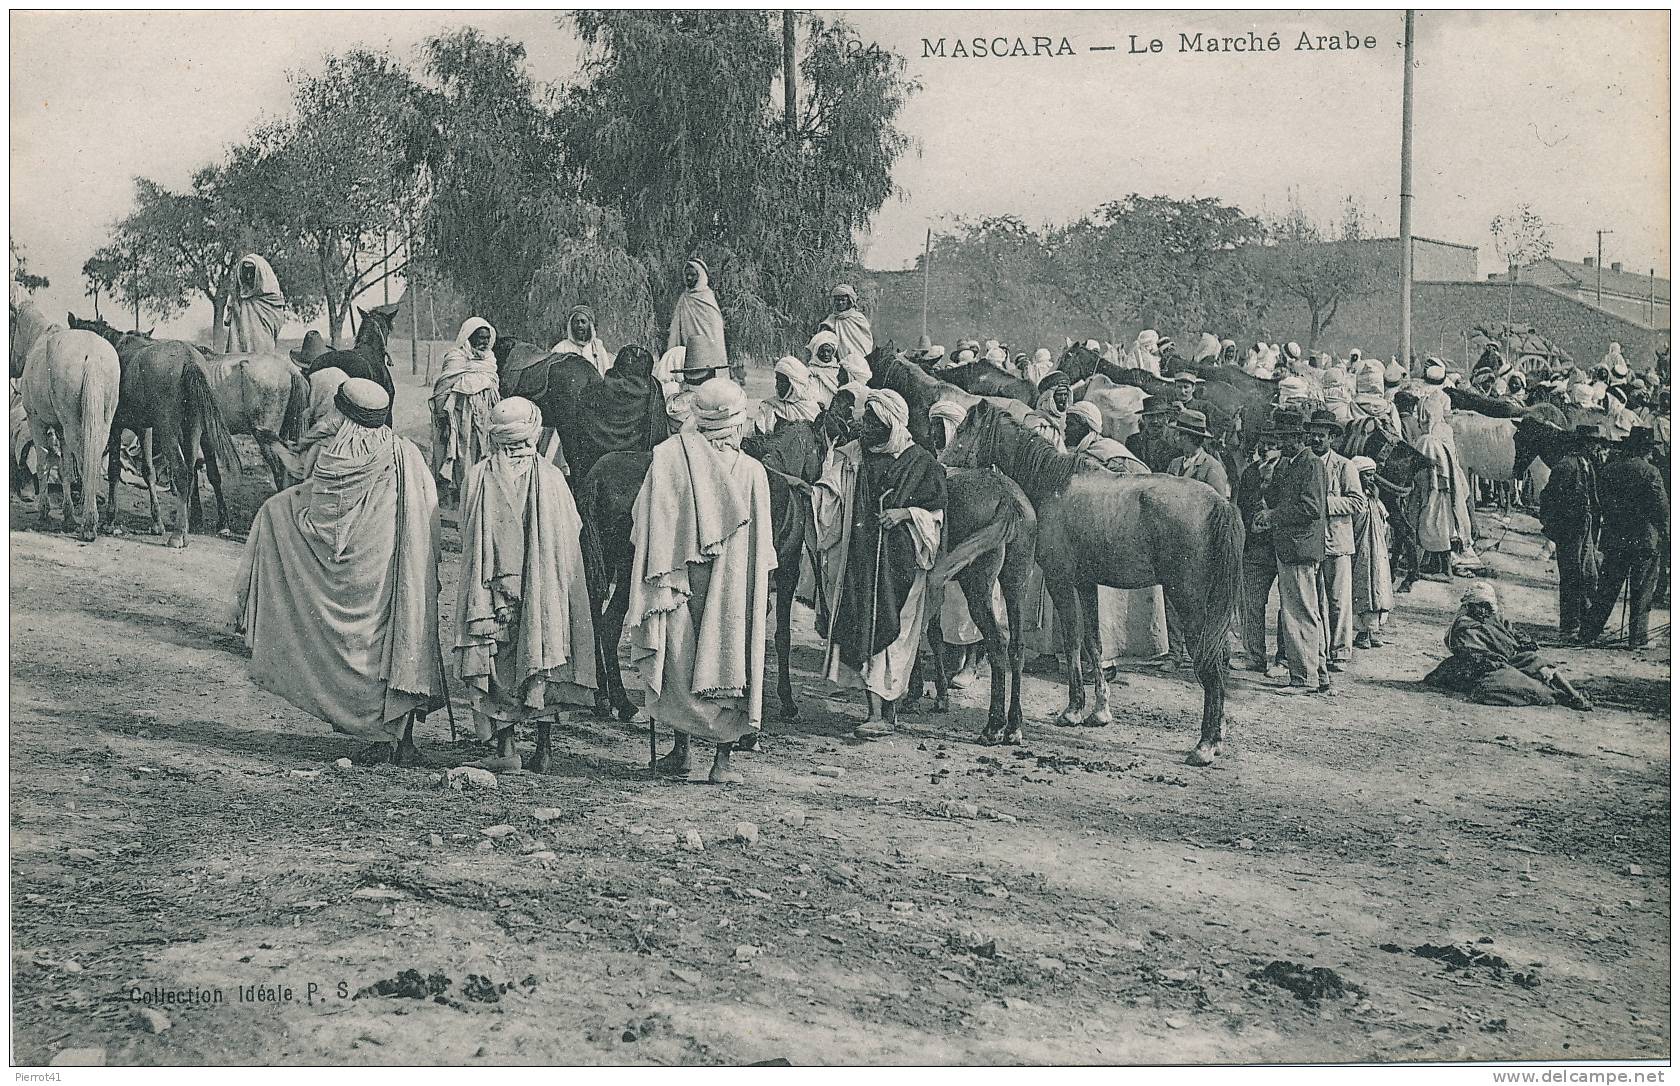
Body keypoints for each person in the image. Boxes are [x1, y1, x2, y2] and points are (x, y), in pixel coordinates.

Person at [230, 378, 444, 765]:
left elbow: (322, 526)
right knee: (401, 640)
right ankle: (401, 738)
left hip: (357, 580)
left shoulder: (336, 458)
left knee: (361, 650)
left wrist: (278, 513)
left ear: (341, 413)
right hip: (395, 573)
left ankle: (379, 737)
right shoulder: (407, 455)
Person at [628, 378, 775, 784]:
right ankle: (721, 762)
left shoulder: (668, 457)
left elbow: (643, 522)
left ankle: (681, 749)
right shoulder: (751, 472)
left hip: (678, 579)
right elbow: (762, 545)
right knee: (728, 655)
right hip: (729, 582)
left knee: (678, 654)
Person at [453, 397, 598, 772]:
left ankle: (506, 748)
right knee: (542, 651)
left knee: (496, 657)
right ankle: (544, 751)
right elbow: (572, 533)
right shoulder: (551, 479)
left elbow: (466, 534)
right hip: (541, 592)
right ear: (533, 431)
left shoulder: (478, 477)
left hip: (493, 599)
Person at [822, 389, 946, 739]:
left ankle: (885, 711)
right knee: (866, 626)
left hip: (902, 566)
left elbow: (936, 516)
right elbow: (832, 485)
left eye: (873, 423)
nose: (865, 428)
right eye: (865, 420)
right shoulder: (856, 456)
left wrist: (906, 513)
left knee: (896, 635)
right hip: (864, 563)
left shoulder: (921, 462)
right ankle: (876, 712)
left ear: (890, 424)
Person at [1066, 400, 1168, 671]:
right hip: (1085, 536)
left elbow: (1139, 480)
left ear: (1085, 425)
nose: (1065, 427)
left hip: (1112, 536)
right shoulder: (1077, 451)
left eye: (1071, 423)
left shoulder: (1109, 452)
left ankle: (1105, 661)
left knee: (1107, 607)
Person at [1424, 582, 1592, 710]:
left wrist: (1523, 641)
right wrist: (1496, 659)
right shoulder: (1465, 626)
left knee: (1536, 661)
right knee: (1514, 684)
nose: (1483, 611)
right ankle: (1558, 696)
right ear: (1469, 605)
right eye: (1478, 606)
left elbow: (1509, 631)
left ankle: (1574, 695)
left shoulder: (1492, 617)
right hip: (1481, 666)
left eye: (1486, 606)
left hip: (1507, 657)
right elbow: (1471, 653)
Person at [1578, 426, 1668, 649]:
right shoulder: (1651, 472)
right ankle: (1637, 639)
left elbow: (1602, 504)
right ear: (1645, 450)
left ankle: (1588, 633)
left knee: (1607, 589)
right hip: (1645, 541)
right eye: (1650, 449)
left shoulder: (1610, 469)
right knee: (1642, 590)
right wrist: (1667, 534)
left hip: (1616, 538)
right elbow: (1662, 509)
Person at [1262, 409, 1330, 695]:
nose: (1280, 443)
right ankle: (1320, 675)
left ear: (1298, 438)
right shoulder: (1293, 463)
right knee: (1308, 612)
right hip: (1294, 547)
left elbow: (1311, 509)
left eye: (1285, 438)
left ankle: (1304, 679)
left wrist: (1275, 515)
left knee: (1299, 614)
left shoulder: (1310, 465)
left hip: (1299, 548)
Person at [1537, 424, 1606, 638]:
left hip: (1584, 526)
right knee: (1570, 576)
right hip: (1569, 528)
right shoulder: (1566, 466)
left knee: (1588, 573)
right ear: (1583, 444)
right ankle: (1569, 626)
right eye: (1593, 444)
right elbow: (1547, 497)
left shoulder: (1587, 465)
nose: (1597, 448)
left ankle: (1584, 620)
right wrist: (1553, 527)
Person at [1308, 409, 1363, 671]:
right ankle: (1317, 652)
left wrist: (1324, 504)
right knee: (1313, 600)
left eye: (1322, 436)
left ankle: (1340, 652)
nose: (1316, 440)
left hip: (1337, 543)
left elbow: (1357, 502)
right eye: (1313, 435)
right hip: (1310, 543)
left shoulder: (1344, 465)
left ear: (1331, 438)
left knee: (1338, 600)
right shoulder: (1305, 463)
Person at [431, 317, 501, 503]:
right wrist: (443, 418)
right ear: (468, 337)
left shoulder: (490, 359)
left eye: (487, 338)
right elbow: (442, 388)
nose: (484, 342)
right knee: (463, 452)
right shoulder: (456, 357)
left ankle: (480, 492)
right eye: (480, 337)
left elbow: (493, 384)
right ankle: (462, 493)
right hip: (461, 417)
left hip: (485, 416)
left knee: (483, 451)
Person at [1235, 421, 1282, 673]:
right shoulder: (1250, 473)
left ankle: (1284, 657)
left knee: (1288, 605)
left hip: (1284, 548)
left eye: (1273, 445)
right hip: (1255, 549)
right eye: (1263, 444)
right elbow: (1241, 507)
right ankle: (1254, 655)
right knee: (1251, 603)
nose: (1266, 449)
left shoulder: (1288, 471)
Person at [1348, 455, 1394, 648]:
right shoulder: (1355, 498)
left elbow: (1383, 521)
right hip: (1361, 551)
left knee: (1379, 587)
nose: (1371, 479)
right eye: (1367, 475)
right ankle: (1361, 633)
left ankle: (1372, 630)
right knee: (1363, 588)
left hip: (1377, 551)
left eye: (1373, 475)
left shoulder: (1374, 498)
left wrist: (1374, 502)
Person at [667, 258, 728, 384]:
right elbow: (676, 330)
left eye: (693, 275)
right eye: (687, 275)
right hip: (688, 355)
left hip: (708, 358)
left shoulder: (707, 299)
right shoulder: (684, 298)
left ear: (700, 276)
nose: (689, 278)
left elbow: (715, 337)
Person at [224, 254, 286, 354]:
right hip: (240, 353)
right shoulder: (238, 299)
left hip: (263, 353)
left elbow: (276, 321)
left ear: (259, 274)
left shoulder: (270, 302)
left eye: (251, 272)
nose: (248, 276)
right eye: (246, 272)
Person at [1166, 409, 1230, 498]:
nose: (1176, 437)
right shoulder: (1174, 463)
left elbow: (1219, 505)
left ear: (1189, 437)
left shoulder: (1213, 467)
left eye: (1179, 433)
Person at [753, 355, 821, 435]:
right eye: (777, 379)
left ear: (794, 384)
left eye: (783, 381)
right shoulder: (768, 407)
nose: (778, 385)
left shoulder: (811, 409)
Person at [820, 283, 874, 377]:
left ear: (849, 301)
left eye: (842, 300)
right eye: (837, 300)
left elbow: (866, 343)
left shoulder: (858, 319)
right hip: (838, 366)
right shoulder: (830, 320)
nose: (839, 303)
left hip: (860, 364)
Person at [806, 329, 870, 404]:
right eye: (822, 351)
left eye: (828, 351)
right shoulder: (811, 370)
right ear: (817, 352)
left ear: (833, 352)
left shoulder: (840, 369)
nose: (826, 354)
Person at [550, 303, 614, 377]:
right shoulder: (560, 348)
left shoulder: (598, 347)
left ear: (590, 325)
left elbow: (606, 373)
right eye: (576, 322)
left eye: (583, 322)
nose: (579, 325)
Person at [1129, 395, 1182, 473]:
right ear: (1143, 418)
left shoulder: (1176, 443)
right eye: (1150, 416)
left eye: (1160, 416)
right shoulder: (1132, 441)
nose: (1155, 421)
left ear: (1167, 418)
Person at [1026, 371, 1072, 452]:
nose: (1063, 398)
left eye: (1065, 394)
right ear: (1048, 397)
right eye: (1059, 394)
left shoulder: (1069, 419)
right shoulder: (1036, 423)